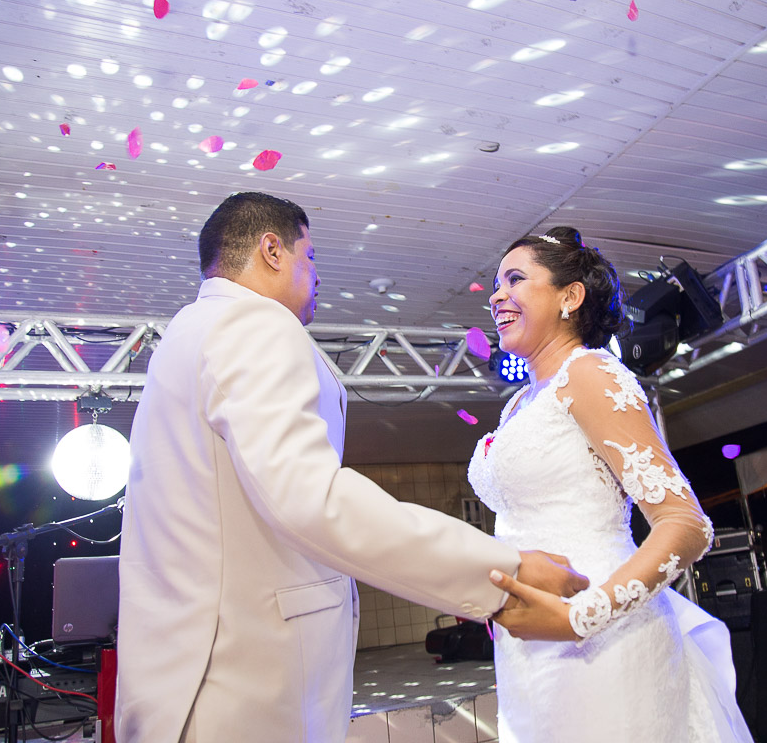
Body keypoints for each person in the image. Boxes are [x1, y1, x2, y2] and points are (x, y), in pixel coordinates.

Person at [116, 193, 588, 743]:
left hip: (189, 673)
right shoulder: (254, 325)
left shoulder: (186, 333)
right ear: (272, 249)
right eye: (309, 255)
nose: (316, 274)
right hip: (240, 681)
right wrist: (503, 574)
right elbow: (310, 499)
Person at [472, 227, 753, 741]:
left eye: (514, 279)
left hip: (604, 631)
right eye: (495, 284)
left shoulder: (592, 373)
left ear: (570, 297)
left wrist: (585, 614)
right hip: (529, 646)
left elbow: (686, 524)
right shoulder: (518, 403)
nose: (496, 295)